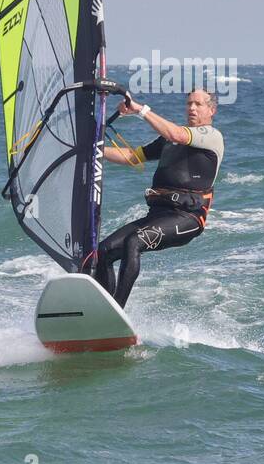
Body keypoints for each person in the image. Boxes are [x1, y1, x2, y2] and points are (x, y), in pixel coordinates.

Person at [94, 87, 224, 308]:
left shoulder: (211, 136)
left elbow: (177, 134)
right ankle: (104, 311)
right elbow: (133, 157)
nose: (191, 108)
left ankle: (117, 309)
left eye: (198, 104)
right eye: (189, 103)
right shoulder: (169, 141)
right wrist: (95, 149)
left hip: (187, 218)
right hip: (158, 215)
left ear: (211, 110)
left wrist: (140, 110)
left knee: (134, 242)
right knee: (103, 251)